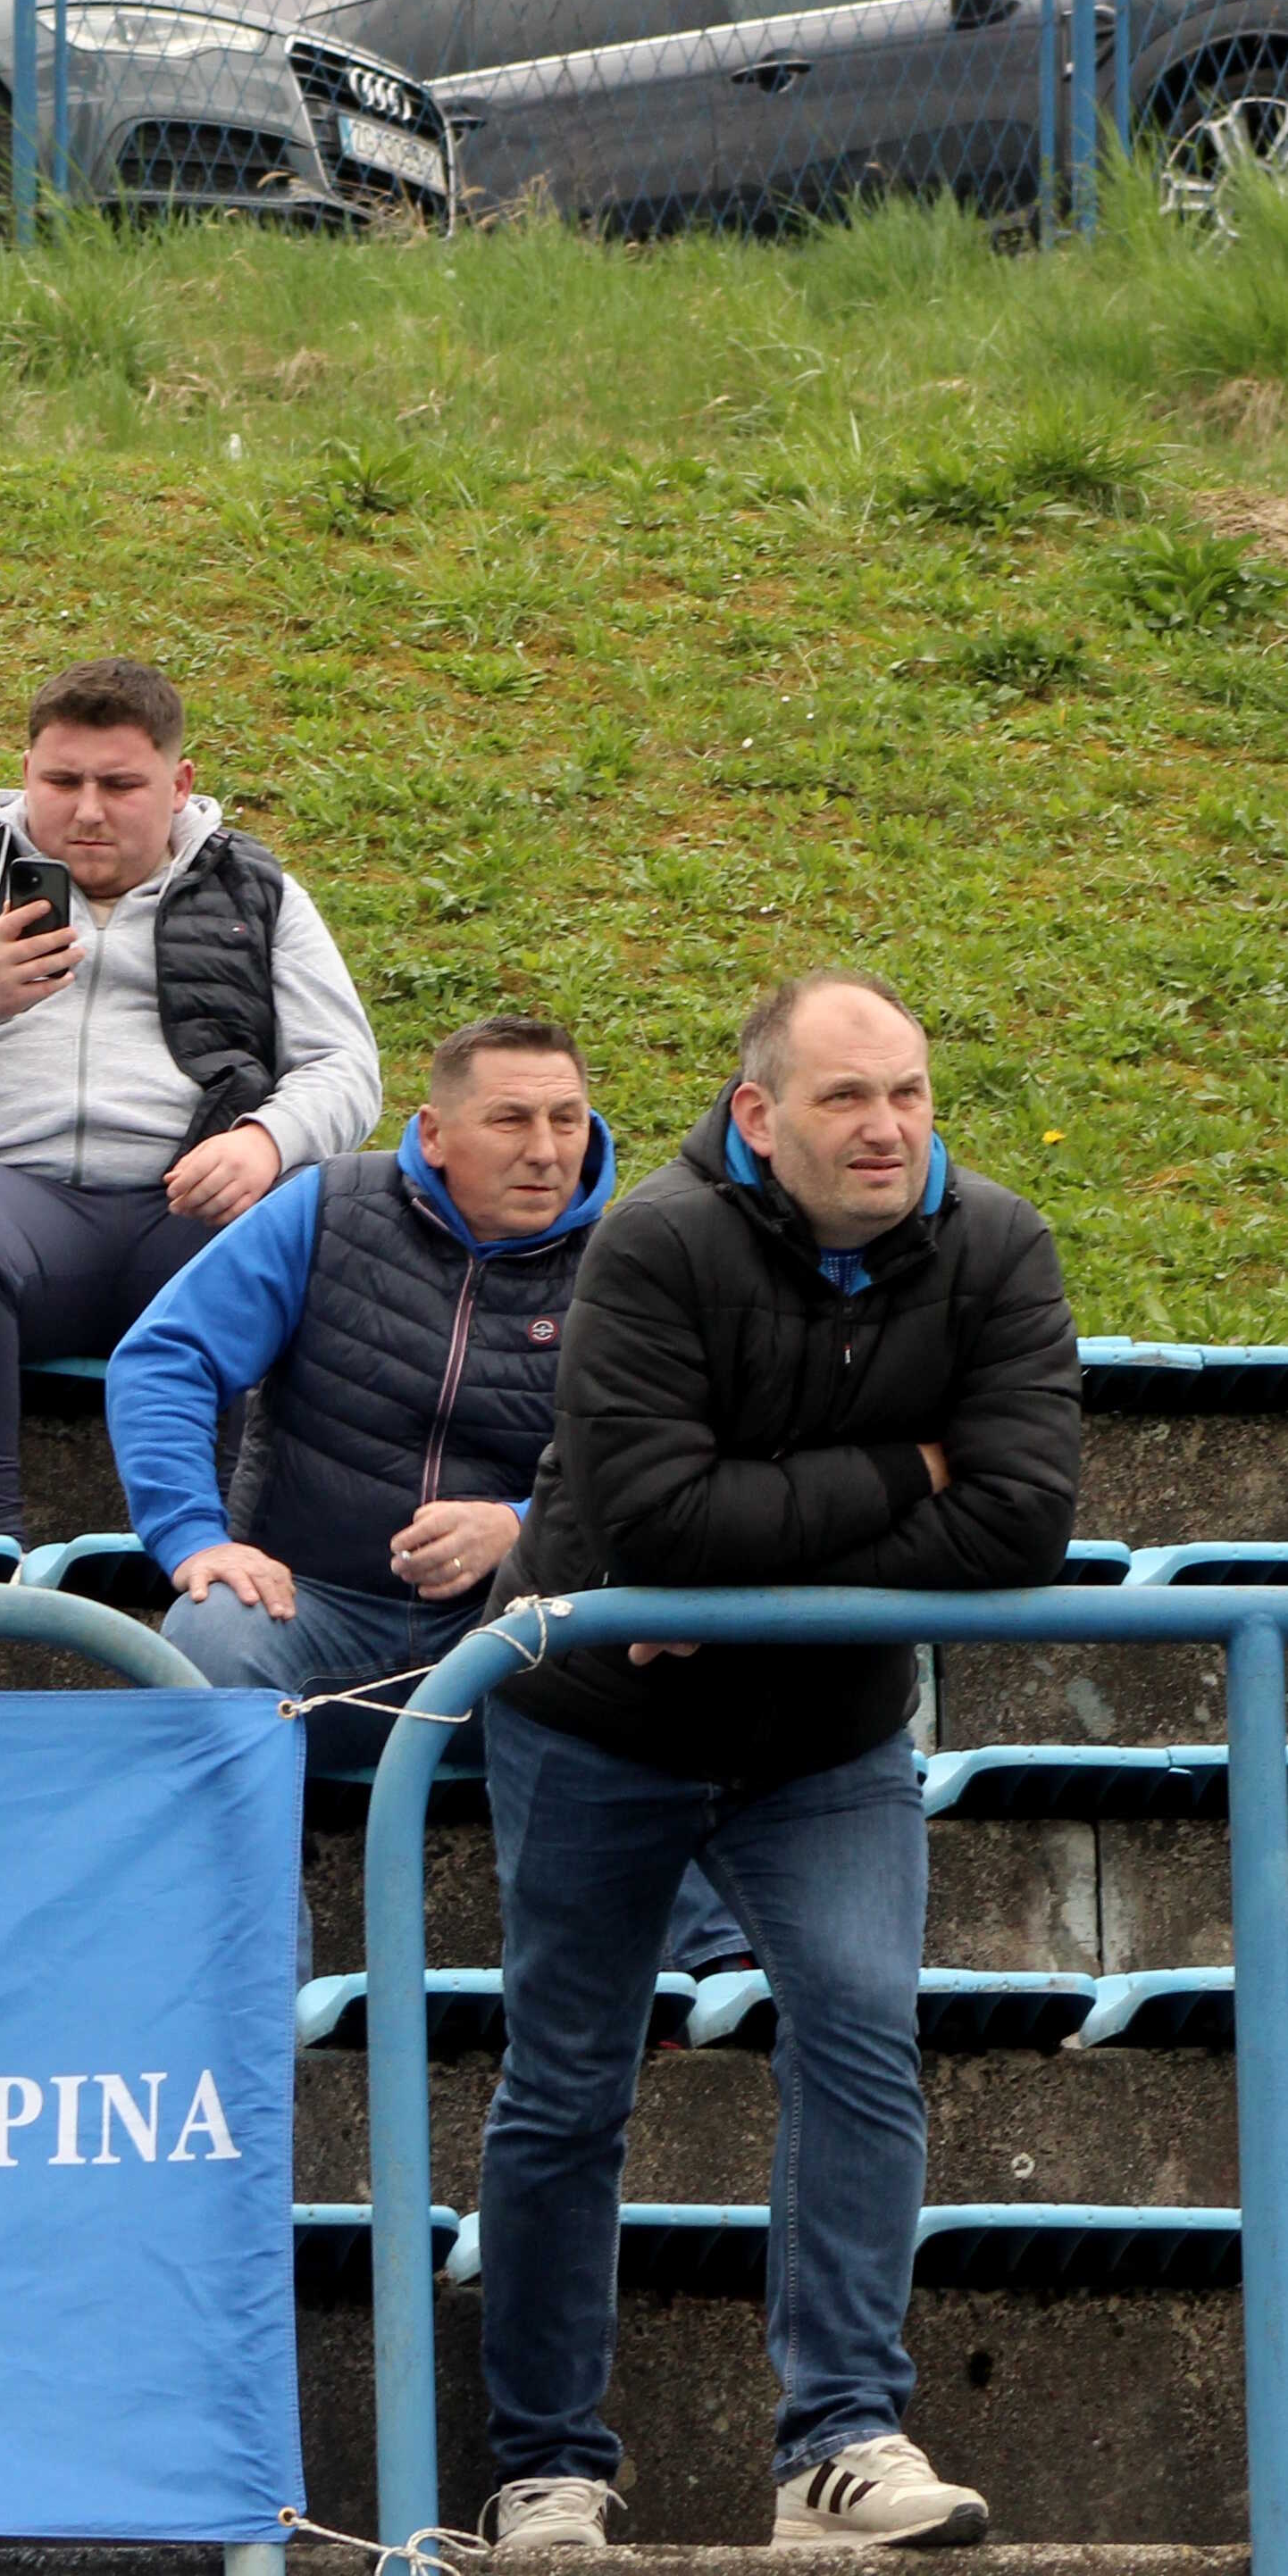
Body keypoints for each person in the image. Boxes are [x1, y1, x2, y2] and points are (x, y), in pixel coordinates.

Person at [470, 971, 1078, 2554]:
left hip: (823, 1734)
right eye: (842, 1096)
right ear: (755, 1113)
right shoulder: (653, 1240)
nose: (885, 1126)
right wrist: (909, 1464)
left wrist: (744, 1579)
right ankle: (544, 2466)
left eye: (907, 1092)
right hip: (596, 1717)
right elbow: (658, 1519)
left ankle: (840, 2442)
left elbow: (1020, 1519)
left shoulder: (997, 1242)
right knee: (564, 2087)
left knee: (862, 2029)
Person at [106, 1014, 742, 1976]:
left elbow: (674, 1462)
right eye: (511, 1119)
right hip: (313, 1615)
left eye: (567, 1120)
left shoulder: (634, 1257)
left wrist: (519, 1528)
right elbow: (166, 1357)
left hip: (519, 1633)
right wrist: (195, 1538)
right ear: (435, 1133)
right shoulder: (325, 1208)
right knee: (209, 1635)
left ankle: (718, 1968)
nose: (546, 1150)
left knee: (645, 1647)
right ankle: (255, 1989)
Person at [0, 657, 381, 1534]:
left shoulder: (251, 887)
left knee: (293, 1229)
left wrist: (264, 1140)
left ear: (179, 784)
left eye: (119, 785)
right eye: (61, 781)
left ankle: (222, 1542)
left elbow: (346, 1066)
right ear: (24, 770)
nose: (85, 811)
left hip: (187, 1208)